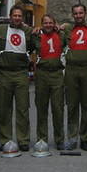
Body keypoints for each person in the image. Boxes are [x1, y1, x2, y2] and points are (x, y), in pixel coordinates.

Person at [62, 3, 87, 150]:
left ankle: (84, 138)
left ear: (86, 13)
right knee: (72, 105)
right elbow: (49, 28)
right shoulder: (66, 28)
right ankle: (72, 138)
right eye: (76, 13)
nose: (78, 16)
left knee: (86, 105)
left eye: (81, 13)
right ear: (73, 15)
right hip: (71, 69)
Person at [0, 5, 33, 151]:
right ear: (10, 16)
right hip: (5, 73)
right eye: (15, 15)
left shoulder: (28, 31)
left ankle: (23, 140)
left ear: (22, 18)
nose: (17, 18)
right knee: (5, 108)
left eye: (19, 16)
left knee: (23, 108)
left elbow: (38, 39)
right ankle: (5, 139)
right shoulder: (1, 29)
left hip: (21, 73)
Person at [32, 14, 66, 150]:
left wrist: (62, 27)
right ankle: (42, 138)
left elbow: (70, 30)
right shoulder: (36, 35)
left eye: (50, 23)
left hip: (57, 74)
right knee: (42, 108)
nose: (48, 25)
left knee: (58, 108)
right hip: (42, 74)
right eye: (45, 23)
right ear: (42, 24)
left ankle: (59, 139)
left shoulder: (61, 35)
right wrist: (36, 28)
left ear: (54, 24)